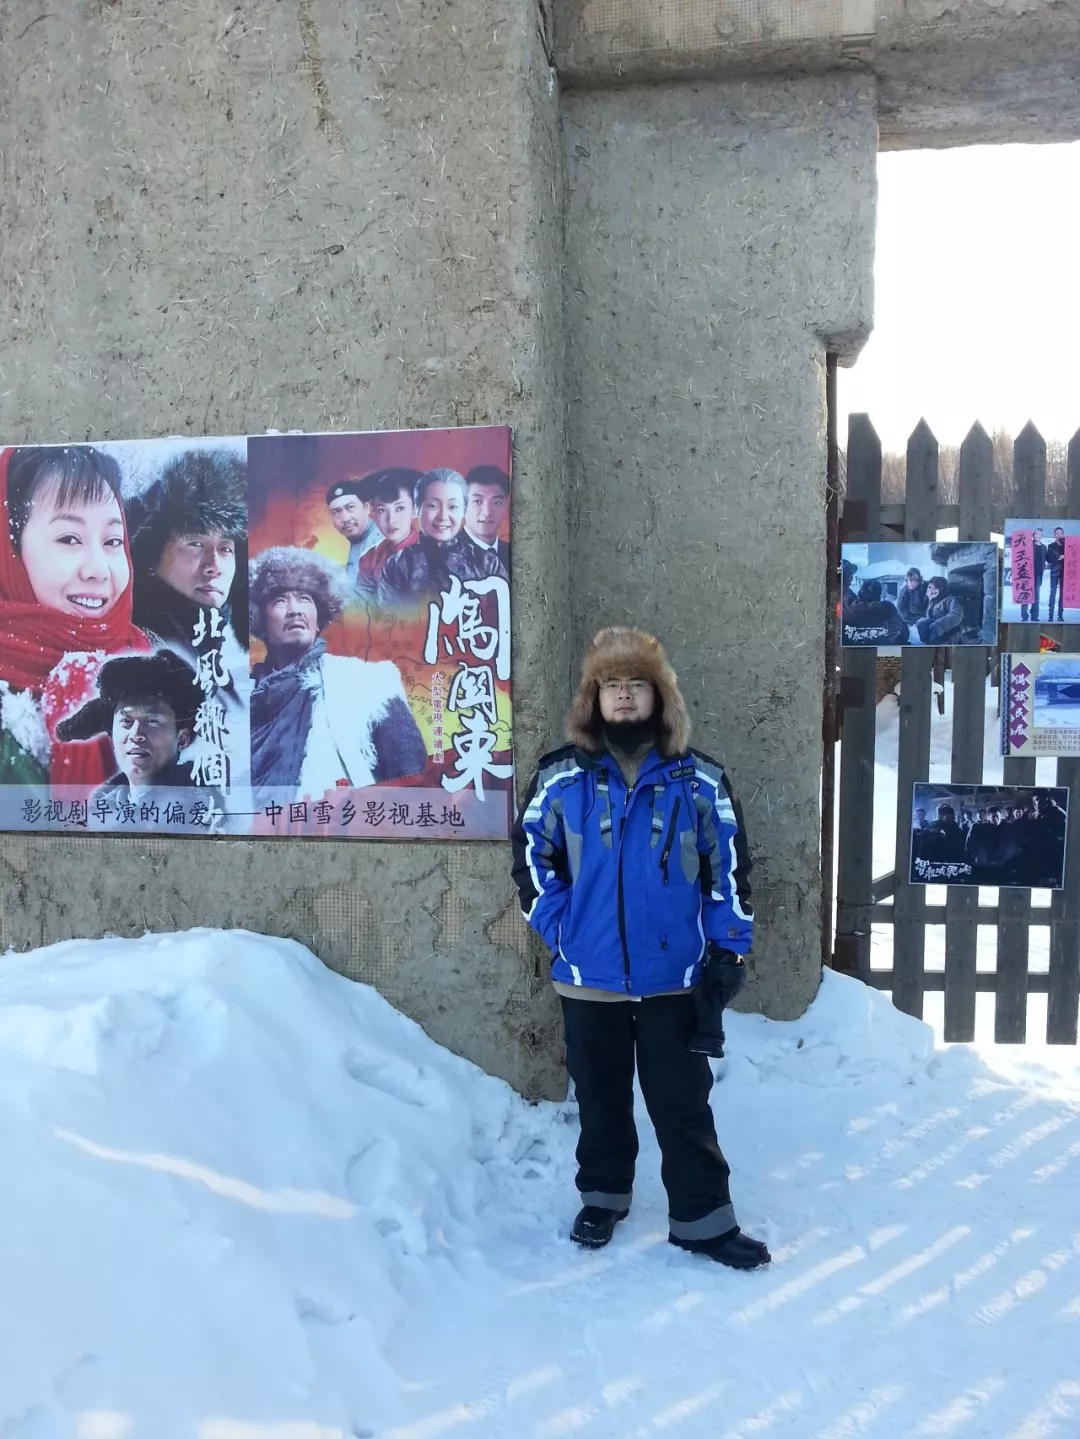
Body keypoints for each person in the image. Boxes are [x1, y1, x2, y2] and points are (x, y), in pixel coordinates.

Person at [511, 626, 769, 1271]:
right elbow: (530, 859)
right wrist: (561, 927)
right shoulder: (559, 776)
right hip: (587, 973)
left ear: (660, 698)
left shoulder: (699, 781)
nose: (623, 698)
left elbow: (728, 871)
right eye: (610, 687)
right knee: (599, 1097)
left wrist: (727, 950)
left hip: (673, 978)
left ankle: (704, 1221)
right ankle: (603, 1197)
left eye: (636, 686)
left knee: (682, 1104)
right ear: (592, 700)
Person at [0, 445, 150, 789]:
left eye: (113, 541)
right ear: (9, 550)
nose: (98, 569)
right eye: (69, 538)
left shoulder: (154, 664)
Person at [249, 547, 427, 802]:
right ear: (259, 620)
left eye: (304, 599)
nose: (294, 610)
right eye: (280, 600)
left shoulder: (367, 683)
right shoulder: (240, 702)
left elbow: (412, 783)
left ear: (319, 617)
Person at [128, 448, 249, 784]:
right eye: (195, 543)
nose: (213, 565)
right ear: (152, 557)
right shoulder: (136, 647)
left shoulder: (249, 644)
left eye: (226, 548)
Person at [55, 651, 223, 828]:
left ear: (182, 739)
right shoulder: (102, 811)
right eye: (126, 721)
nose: (136, 735)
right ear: (112, 739)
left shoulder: (202, 813)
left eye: (152, 721)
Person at [378, 468, 508, 610]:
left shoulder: (486, 562)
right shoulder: (397, 566)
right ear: (417, 509)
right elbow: (388, 624)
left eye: (453, 506)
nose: (443, 516)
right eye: (433, 506)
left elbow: (504, 616)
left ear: (463, 511)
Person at [353, 467, 422, 604]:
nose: (391, 520)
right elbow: (360, 608)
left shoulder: (435, 554)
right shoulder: (370, 560)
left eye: (400, 508)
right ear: (373, 514)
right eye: (381, 510)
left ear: (415, 510)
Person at [326, 480, 381, 583]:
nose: (345, 518)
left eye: (350, 507)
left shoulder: (380, 544)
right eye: (336, 512)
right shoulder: (356, 540)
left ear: (367, 508)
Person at [463, 465, 511, 572]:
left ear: (506, 506)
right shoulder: (444, 554)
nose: (487, 512)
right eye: (477, 501)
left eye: (497, 502)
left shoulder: (514, 553)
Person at [842, 579, 908, 646]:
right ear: (878, 595)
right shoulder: (887, 608)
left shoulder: (846, 606)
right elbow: (904, 633)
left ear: (860, 592)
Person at [916, 576, 965, 645]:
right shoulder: (932, 601)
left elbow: (956, 614)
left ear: (941, 589)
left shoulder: (949, 600)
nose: (931, 590)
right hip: (933, 628)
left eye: (934, 588)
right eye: (929, 587)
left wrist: (939, 626)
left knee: (935, 639)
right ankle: (928, 645)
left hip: (948, 630)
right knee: (921, 623)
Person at [1020, 528, 1048, 623]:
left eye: (1040, 534)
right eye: (1036, 534)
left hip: (1039, 575)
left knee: (1036, 596)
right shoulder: (1028, 544)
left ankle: (1034, 616)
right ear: (1033, 535)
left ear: (1042, 536)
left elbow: (1048, 559)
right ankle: (1024, 616)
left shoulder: (1044, 547)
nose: (1038, 536)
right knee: (1026, 595)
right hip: (1028, 574)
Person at [1047, 527, 1067, 623]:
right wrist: (1059, 558)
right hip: (1054, 572)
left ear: (1063, 534)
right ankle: (1050, 615)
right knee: (1053, 593)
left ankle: (1060, 615)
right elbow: (1049, 559)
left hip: (1065, 573)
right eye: (1057, 533)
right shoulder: (1051, 546)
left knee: (1062, 594)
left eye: (1061, 533)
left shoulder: (1068, 545)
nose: (1059, 535)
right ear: (1054, 535)